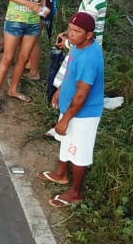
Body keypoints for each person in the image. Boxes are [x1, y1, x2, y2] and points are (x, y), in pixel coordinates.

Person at [43, 11, 106, 209]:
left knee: (79, 154)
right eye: (70, 29)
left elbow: (82, 95)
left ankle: (76, 193)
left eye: (77, 31)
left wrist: (65, 118)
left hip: (83, 114)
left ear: (89, 34)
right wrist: (60, 90)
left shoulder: (90, 58)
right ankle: (61, 174)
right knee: (65, 140)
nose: (71, 34)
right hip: (69, 106)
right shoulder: (79, 46)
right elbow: (71, 73)